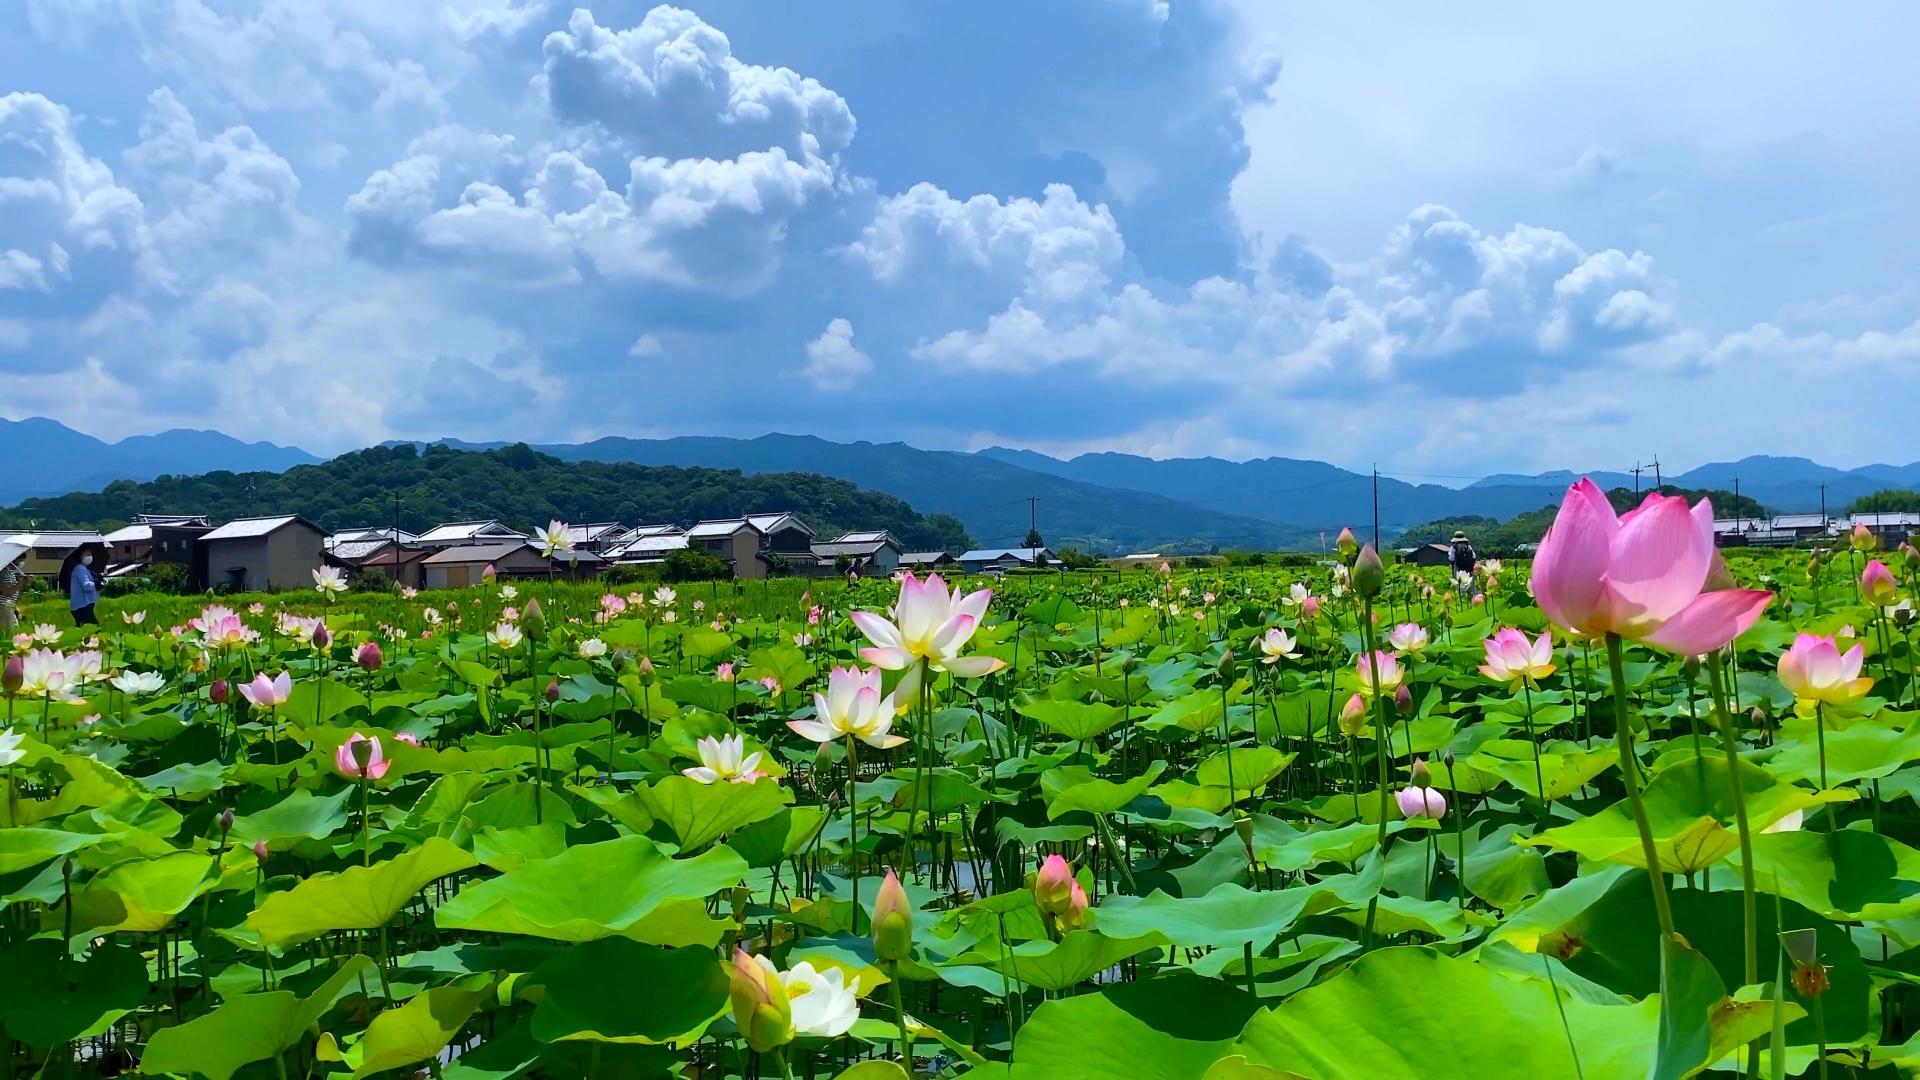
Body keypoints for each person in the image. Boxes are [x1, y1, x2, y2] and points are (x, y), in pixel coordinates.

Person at [68, 545, 101, 626]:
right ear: (79, 556)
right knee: (94, 630)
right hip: (82, 606)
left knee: (85, 631)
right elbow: (86, 586)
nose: (89, 556)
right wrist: (95, 583)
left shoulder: (83, 568)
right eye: (86, 555)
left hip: (83, 606)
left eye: (90, 554)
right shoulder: (80, 569)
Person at [0, 553, 22, 637]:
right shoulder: (5, 572)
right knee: (8, 632)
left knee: (14, 630)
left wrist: (15, 606)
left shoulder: (11, 572)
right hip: (4, 606)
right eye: (20, 560)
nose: (21, 563)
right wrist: (22, 582)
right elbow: (7, 592)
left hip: (9, 605)